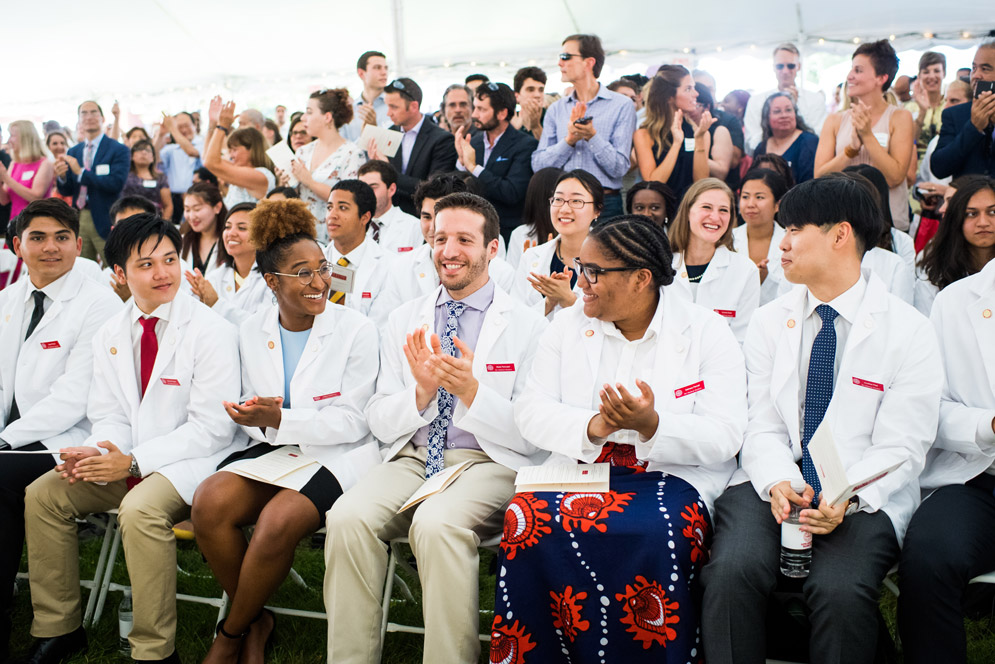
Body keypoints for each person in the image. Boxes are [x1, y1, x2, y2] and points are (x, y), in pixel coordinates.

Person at [700, 174, 943, 664]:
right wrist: (780, 482)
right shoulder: (771, 321)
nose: (780, 244)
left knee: (838, 589)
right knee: (731, 571)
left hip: (862, 493)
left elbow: (903, 446)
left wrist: (845, 499)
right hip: (771, 481)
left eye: (794, 230)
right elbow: (760, 424)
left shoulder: (909, 331)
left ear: (840, 235)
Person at [496, 214, 746, 663]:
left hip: (669, 473)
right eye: (580, 266)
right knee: (525, 521)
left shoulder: (706, 331)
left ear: (641, 278)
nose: (580, 282)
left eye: (593, 272)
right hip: (582, 469)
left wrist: (653, 425)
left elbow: (725, 434)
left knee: (657, 530)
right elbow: (530, 411)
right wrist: (594, 427)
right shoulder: (567, 326)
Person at [324, 191, 547, 664]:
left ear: (492, 249)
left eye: (465, 239)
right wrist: (420, 394)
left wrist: (471, 392)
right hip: (414, 455)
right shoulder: (404, 319)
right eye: (440, 237)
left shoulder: (529, 326)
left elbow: (532, 433)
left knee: (436, 523)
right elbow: (380, 419)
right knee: (346, 517)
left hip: (489, 460)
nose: (449, 250)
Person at [22, 213, 242, 664]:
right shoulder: (110, 332)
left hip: (197, 462)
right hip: (132, 457)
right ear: (119, 274)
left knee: (141, 510)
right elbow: (107, 411)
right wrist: (103, 448)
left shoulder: (212, 331)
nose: (163, 273)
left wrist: (134, 461)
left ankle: (153, 651)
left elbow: (212, 429)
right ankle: (58, 628)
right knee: (43, 494)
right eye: (146, 265)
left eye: (170, 259)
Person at [191, 198, 378, 664]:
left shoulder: (357, 329)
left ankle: (233, 632)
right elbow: (256, 407)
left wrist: (280, 419)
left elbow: (356, 420)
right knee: (209, 503)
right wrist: (255, 416)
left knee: (276, 522)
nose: (319, 283)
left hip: (341, 453)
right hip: (275, 448)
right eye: (303, 273)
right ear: (272, 281)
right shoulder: (249, 329)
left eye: (323, 269)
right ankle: (258, 617)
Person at [0, 200, 122, 662]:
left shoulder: (98, 305)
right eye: (37, 237)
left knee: (1, 482)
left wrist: (4, 441)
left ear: (77, 244)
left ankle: (35, 621)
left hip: (70, 436)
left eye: (62, 237)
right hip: (16, 434)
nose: (50, 247)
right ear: (17, 246)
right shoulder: (8, 300)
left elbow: (74, 397)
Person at [897, 239, 995, 664]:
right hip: (978, 475)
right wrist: (987, 426)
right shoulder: (955, 302)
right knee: (929, 557)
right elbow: (929, 409)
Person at [376, 174, 517, 317]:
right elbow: (386, 324)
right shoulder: (401, 267)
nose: (433, 227)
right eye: (426, 217)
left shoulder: (501, 273)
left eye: (440, 217)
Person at [532, 34, 637, 220]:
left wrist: (592, 137)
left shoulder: (622, 105)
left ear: (588, 62)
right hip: (563, 204)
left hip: (604, 204)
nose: (559, 63)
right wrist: (569, 141)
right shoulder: (556, 109)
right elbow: (539, 166)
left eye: (565, 57)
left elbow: (620, 168)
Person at [814, 40, 915, 231]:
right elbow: (819, 176)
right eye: (851, 69)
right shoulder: (834, 121)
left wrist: (867, 136)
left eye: (858, 70)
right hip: (843, 223)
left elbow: (895, 177)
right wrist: (850, 151)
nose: (850, 76)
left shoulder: (900, 117)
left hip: (888, 224)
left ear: (881, 78)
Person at [668, 178, 760, 343]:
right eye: (706, 207)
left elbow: (741, 339)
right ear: (688, 211)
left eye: (723, 210)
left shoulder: (745, 271)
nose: (715, 217)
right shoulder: (662, 264)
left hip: (719, 366)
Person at [455, 82, 538, 242]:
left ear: (502, 113)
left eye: (482, 109)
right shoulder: (474, 141)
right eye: (475, 107)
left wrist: (474, 168)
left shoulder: (525, 144)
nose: (475, 114)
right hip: (471, 228)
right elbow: (461, 187)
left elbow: (512, 192)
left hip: (507, 231)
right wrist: (461, 162)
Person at [514, 169, 602, 317]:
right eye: (558, 199)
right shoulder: (531, 256)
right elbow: (516, 318)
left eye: (576, 201)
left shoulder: (610, 260)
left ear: (597, 211)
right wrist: (549, 302)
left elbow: (609, 322)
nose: (564, 209)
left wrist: (568, 299)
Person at [54, 100, 130, 262]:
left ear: (102, 118)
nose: (89, 117)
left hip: (106, 216)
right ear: (79, 120)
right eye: (84, 113)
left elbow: (116, 183)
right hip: (79, 217)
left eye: (94, 112)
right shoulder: (74, 151)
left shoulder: (118, 149)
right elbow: (67, 190)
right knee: (82, 268)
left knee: (114, 266)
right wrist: (61, 177)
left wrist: (81, 172)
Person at [375, 77, 458, 215]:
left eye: (394, 107)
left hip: (422, 217)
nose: (388, 113)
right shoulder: (389, 133)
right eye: (387, 106)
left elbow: (435, 188)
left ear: (414, 106)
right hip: (389, 217)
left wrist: (389, 173)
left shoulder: (442, 139)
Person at [292, 88, 366, 242]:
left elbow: (351, 200)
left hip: (334, 238)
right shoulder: (303, 152)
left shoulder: (351, 154)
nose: (304, 118)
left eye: (310, 112)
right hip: (301, 236)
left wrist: (310, 182)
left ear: (327, 117)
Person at [914, 175, 995, 315]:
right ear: (956, 219)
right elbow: (927, 329)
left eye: (992, 212)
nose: (983, 222)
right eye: (971, 214)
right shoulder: (934, 273)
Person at [633, 65, 712, 205]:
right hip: (658, 212)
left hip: (688, 209)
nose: (696, 94)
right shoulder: (644, 134)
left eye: (694, 88)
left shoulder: (700, 133)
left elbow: (700, 182)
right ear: (669, 96)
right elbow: (653, 183)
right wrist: (676, 144)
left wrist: (699, 139)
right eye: (688, 89)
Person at [184, 202, 272, 325]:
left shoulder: (272, 280)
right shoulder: (215, 277)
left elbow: (260, 326)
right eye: (227, 227)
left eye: (242, 228)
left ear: (263, 236)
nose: (231, 233)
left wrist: (216, 303)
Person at [323, 179, 394, 327]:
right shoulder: (316, 259)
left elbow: (379, 327)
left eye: (342, 208)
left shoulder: (389, 266)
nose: (332, 215)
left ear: (365, 217)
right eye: (329, 207)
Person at [743, 43, 827, 151]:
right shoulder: (756, 101)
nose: (785, 71)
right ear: (774, 67)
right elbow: (751, 145)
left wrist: (795, 107)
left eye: (791, 66)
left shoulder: (815, 99)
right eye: (780, 66)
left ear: (799, 66)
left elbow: (819, 138)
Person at [932, 41, 995, 180]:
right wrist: (973, 128)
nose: (976, 75)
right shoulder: (954, 114)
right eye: (974, 68)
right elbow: (939, 168)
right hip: (967, 199)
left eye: (985, 69)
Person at [204, 99, 277, 208]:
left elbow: (211, 163)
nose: (231, 156)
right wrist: (212, 124)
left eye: (234, 150)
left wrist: (222, 127)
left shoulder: (261, 175)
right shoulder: (239, 168)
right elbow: (207, 159)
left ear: (251, 149)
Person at [733, 168, 790, 305]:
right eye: (745, 197)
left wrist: (765, 280)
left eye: (759, 197)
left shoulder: (791, 243)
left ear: (777, 205)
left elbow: (792, 294)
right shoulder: (727, 239)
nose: (750, 204)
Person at [752, 92, 819, 184]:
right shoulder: (761, 147)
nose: (784, 115)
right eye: (777, 111)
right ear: (767, 117)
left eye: (788, 110)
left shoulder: (809, 142)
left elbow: (810, 183)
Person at [357, 160, 423, 253]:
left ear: (391, 189)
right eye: (362, 188)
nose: (366, 193)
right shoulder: (353, 227)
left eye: (373, 187)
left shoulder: (415, 227)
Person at [507, 167, 563, 270]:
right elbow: (512, 280)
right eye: (560, 198)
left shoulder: (578, 233)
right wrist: (527, 265)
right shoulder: (520, 234)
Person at [0, 121, 55, 219]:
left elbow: (36, 198)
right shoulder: (15, 163)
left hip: (37, 221)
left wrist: (6, 178)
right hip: (16, 222)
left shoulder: (44, 164)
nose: (9, 140)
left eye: (12, 135)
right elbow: (4, 200)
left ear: (25, 138)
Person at [157, 112, 203, 225]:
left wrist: (173, 128)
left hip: (197, 198)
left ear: (194, 125)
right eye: (179, 127)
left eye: (186, 125)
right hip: (173, 200)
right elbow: (154, 159)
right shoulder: (171, 149)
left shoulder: (203, 144)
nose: (183, 130)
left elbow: (191, 151)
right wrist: (161, 135)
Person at [688, 83, 735, 186]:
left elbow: (721, 172)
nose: (689, 109)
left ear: (707, 107)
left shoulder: (719, 131)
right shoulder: (680, 130)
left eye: (695, 105)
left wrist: (690, 154)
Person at [340, 50, 391, 142]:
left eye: (386, 68)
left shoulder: (394, 107)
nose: (384, 72)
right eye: (377, 68)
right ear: (361, 73)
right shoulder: (349, 111)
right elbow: (343, 149)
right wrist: (365, 137)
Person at [910, 52, 948, 164]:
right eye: (926, 72)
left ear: (944, 74)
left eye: (936, 71)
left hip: (944, 166)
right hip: (916, 168)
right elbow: (909, 142)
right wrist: (922, 112)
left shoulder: (950, 105)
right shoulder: (909, 108)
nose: (931, 76)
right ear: (919, 76)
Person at [180, 182, 225, 275]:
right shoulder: (182, 241)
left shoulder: (229, 242)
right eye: (187, 210)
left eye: (197, 209)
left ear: (217, 207)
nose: (191, 216)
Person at [120, 140, 172, 219]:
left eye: (148, 150)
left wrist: (163, 225)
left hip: (153, 221)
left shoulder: (160, 178)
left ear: (153, 158)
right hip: (128, 220)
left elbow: (168, 205)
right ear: (132, 156)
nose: (144, 152)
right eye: (139, 149)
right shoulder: (124, 175)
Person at [512, 66, 548, 141]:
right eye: (530, 90)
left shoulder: (552, 117)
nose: (537, 95)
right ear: (517, 96)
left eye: (541, 90)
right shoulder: (510, 119)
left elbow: (552, 148)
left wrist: (536, 127)